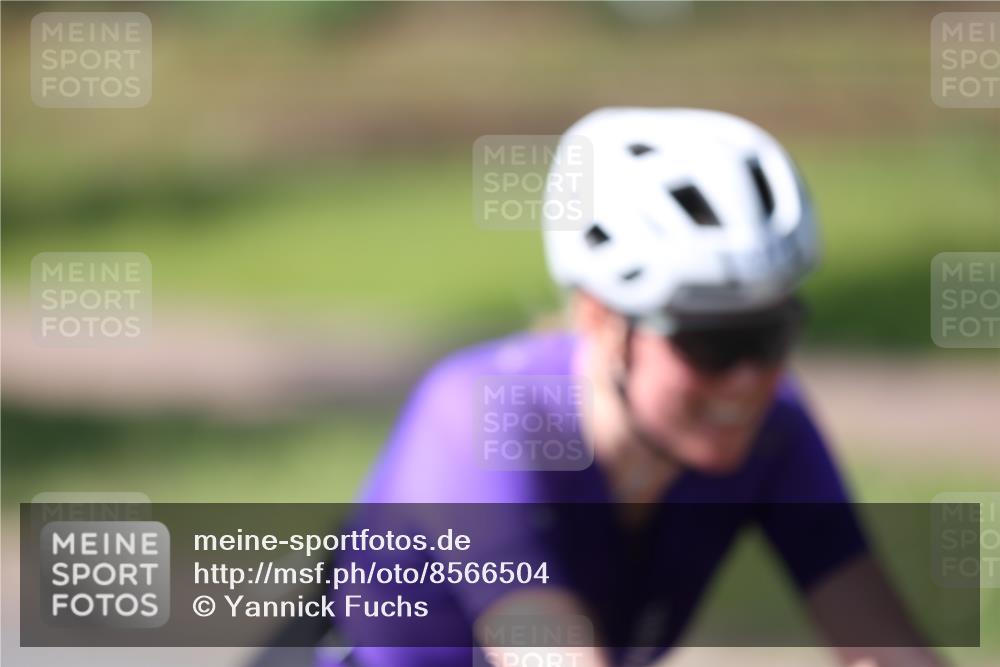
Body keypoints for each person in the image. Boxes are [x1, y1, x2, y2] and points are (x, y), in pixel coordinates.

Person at [318, 108, 944, 667]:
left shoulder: (773, 428)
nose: (750, 379)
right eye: (712, 342)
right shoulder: (477, 418)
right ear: (599, 319)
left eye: (770, 334)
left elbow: (886, 651)